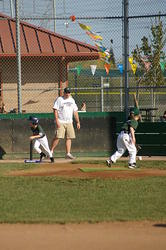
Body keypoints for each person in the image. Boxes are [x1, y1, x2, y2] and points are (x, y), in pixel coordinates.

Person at [51, 87, 80, 159]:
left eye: (69, 92)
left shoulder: (72, 100)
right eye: (66, 92)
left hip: (69, 121)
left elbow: (75, 112)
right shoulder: (59, 99)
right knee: (58, 137)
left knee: (69, 137)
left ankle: (68, 154)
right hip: (61, 121)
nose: (67, 94)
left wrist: (78, 122)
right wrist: (57, 120)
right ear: (64, 92)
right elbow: (55, 110)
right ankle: (50, 152)